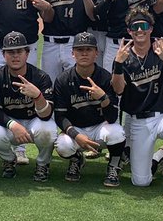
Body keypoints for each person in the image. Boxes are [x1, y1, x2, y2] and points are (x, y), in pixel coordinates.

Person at [111, 8, 163, 200]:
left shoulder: (161, 50)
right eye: (134, 27)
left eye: (143, 26)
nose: (139, 31)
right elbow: (118, 90)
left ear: (151, 28)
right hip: (138, 120)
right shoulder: (123, 56)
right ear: (128, 31)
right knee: (141, 181)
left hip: (162, 115)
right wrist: (118, 65)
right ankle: (159, 156)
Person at [52, 32, 127, 186]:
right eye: (80, 50)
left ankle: (113, 165)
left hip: (100, 128)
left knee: (117, 133)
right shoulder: (63, 80)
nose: (84, 53)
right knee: (62, 146)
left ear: (96, 53)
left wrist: (104, 98)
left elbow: (113, 117)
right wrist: (76, 135)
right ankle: (76, 159)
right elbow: (60, 117)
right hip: (76, 128)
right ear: (73, 54)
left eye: (89, 49)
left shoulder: (105, 78)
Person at [0, 31, 58, 180]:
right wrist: (12, 125)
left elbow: (47, 115)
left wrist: (38, 96)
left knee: (48, 131)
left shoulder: (40, 77)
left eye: (19, 51)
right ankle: (9, 160)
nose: (15, 56)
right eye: (10, 52)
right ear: (3, 54)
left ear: (27, 53)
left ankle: (43, 164)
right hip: (10, 123)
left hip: (35, 121)